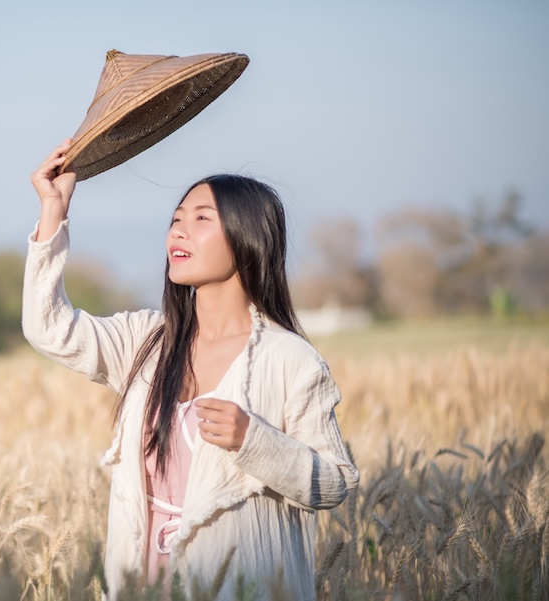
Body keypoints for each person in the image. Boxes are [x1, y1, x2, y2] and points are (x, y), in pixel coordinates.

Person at [22, 139, 359, 600]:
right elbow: (48, 328)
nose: (179, 231)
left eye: (201, 219)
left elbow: (335, 482)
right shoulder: (147, 340)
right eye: (176, 219)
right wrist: (52, 212)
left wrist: (254, 440)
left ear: (248, 239)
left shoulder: (290, 360)